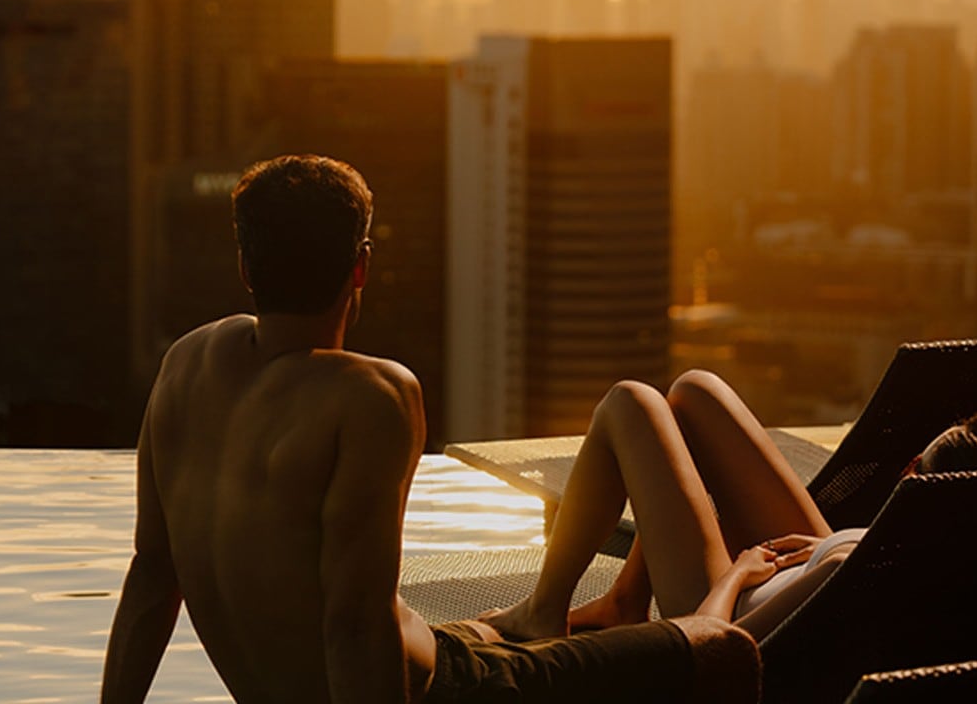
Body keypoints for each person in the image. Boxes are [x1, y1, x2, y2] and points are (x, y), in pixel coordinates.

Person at [100, 154, 760, 704]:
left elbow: (153, 574)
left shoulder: (185, 363)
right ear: (359, 266)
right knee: (724, 647)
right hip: (450, 690)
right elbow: (355, 629)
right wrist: (733, 579)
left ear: (247, 267)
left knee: (482, 628)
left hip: (429, 650)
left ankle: (548, 613)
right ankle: (715, 590)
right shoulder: (369, 394)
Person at [481, 371, 977, 644]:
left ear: (920, 491)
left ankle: (541, 613)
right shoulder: (936, 562)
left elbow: (718, 649)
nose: (903, 469)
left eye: (913, 468)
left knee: (631, 403)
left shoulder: (851, 570)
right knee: (697, 391)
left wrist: (738, 573)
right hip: (820, 564)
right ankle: (624, 601)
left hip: (719, 602)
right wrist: (833, 547)